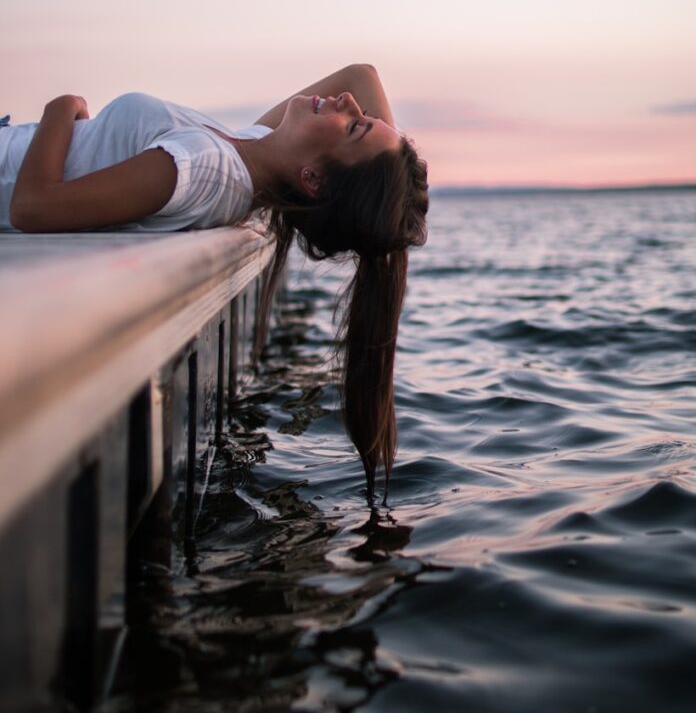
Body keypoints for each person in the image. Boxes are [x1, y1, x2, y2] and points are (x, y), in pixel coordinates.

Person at [1, 63, 429, 497]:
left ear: (313, 179)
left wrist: (62, 108)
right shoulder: (256, 150)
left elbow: (32, 208)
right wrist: (394, 200)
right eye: (361, 116)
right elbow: (361, 75)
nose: (349, 102)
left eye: (354, 125)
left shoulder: (208, 170)